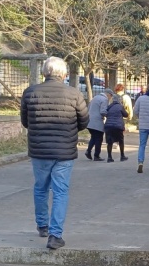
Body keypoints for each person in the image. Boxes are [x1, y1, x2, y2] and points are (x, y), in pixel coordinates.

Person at [21, 57, 88, 249]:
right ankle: (55, 234)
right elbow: (84, 121)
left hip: (39, 149)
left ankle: (42, 225)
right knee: (60, 191)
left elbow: (26, 122)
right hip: (64, 150)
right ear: (64, 74)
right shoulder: (74, 94)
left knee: (40, 188)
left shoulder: (30, 93)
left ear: (44, 73)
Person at [85, 88, 113, 161]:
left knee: (94, 137)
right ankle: (96, 155)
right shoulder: (104, 100)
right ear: (108, 95)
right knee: (99, 138)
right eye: (111, 96)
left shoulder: (95, 97)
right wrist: (109, 115)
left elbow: (88, 108)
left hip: (89, 121)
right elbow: (103, 111)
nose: (110, 98)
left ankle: (88, 151)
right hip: (97, 122)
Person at [104, 93, 129, 163]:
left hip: (108, 126)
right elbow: (126, 115)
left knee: (109, 142)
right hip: (118, 126)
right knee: (121, 140)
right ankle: (122, 156)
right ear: (119, 100)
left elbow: (106, 114)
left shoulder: (109, 106)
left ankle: (109, 157)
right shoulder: (120, 106)